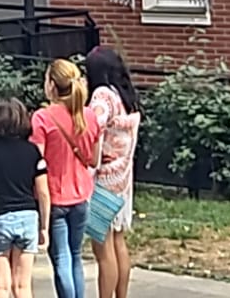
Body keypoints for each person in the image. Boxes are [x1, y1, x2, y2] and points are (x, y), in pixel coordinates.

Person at [32, 58, 99, 298]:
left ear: (51, 84)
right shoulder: (89, 116)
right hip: (82, 195)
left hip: (54, 197)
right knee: (76, 256)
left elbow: (36, 161)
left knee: (60, 258)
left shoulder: (42, 118)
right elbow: (93, 159)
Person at [0, 98, 50, 298]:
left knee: (0, 286)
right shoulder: (32, 151)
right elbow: (43, 192)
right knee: (22, 287)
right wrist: (44, 227)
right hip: (27, 218)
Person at [85, 48, 143, 298]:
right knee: (118, 240)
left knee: (103, 247)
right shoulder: (126, 97)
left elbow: (92, 127)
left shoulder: (102, 96)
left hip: (102, 181)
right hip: (123, 180)